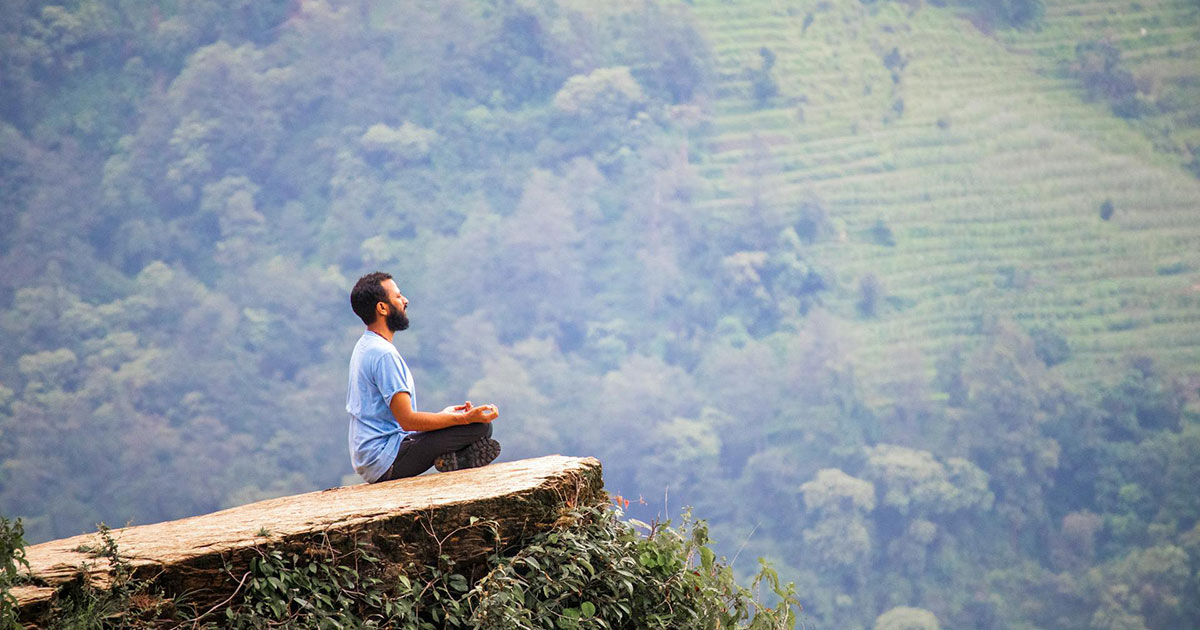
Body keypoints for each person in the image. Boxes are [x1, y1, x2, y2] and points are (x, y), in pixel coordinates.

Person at [346, 271, 501, 483]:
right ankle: (458, 459)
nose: (405, 301)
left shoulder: (366, 346)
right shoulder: (384, 354)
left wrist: (444, 416)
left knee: (469, 425)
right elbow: (408, 420)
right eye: (398, 297)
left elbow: (401, 422)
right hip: (385, 460)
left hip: (375, 455)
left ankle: (456, 459)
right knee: (480, 427)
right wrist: (463, 418)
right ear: (382, 308)